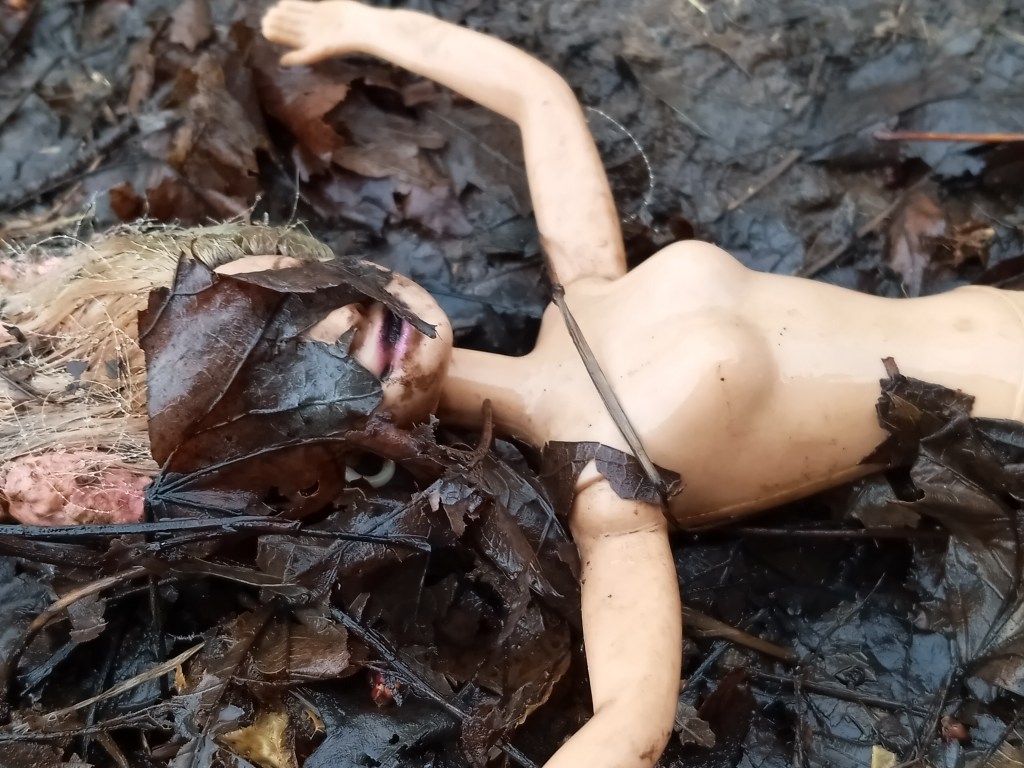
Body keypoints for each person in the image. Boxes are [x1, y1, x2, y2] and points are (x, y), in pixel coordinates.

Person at [3, 2, 1024, 766]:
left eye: (298, 295)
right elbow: (629, 722)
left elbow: (540, 102)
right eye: (290, 367)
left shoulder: (589, 287)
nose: (343, 330)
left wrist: (372, 26)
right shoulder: (608, 490)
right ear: (305, 454)